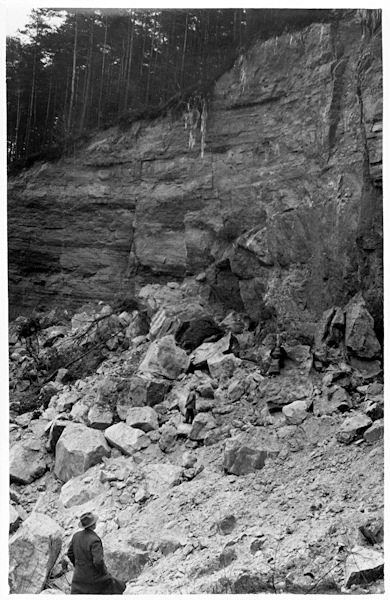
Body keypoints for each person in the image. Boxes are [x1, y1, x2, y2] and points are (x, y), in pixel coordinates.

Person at [67, 512, 126, 595]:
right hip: (94, 580)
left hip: (78, 579)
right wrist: (105, 574)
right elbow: (98, 561)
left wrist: (78, 566)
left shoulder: (76, 536)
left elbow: (70, 554)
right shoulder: (94, 540)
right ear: (93, 524)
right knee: (120, 586)